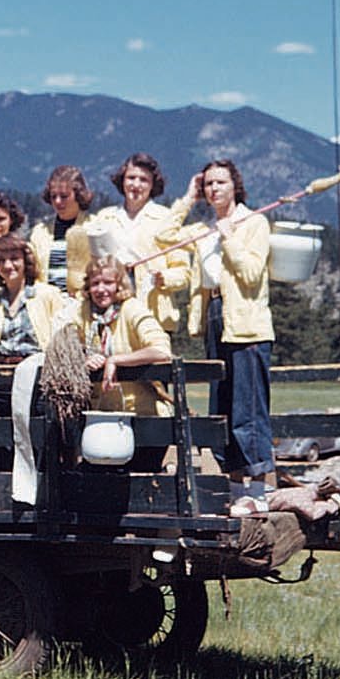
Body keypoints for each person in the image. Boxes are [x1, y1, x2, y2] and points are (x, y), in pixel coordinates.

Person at [172, 159, 276, 511]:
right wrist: (187, 198)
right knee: (223, 405)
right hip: (216, 317)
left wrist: (229, 237)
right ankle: (235, 490)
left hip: (246, 324)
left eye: (221, 182)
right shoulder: (203, 229)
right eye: (208, 184)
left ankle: (259, 491)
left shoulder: (254, 222)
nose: (214, 189)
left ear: (236, 186)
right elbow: (164, 236)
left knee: (249, 408)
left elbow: (250, 273)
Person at [87, 152, 192, 334]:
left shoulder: (167, 218)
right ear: (122, 181)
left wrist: (164, 277)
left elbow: (184, 272)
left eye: (143, 180)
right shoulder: (105, 218)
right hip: (112, 312)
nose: (136, 185)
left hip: (154, 313)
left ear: (153, 185)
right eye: (131, 178)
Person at [0, 235, 71, 415]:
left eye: (14, 259)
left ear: (26, 261)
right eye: (1, 260)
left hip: (37, 379)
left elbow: (63, 337)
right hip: (0, 382)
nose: (8, 265)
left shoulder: (47, 295)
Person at [76, 255, 173, 416]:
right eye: (95, 284)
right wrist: (83, 360)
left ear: (119, 285)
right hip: (98, 412)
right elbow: (64, 345)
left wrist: (115, 360)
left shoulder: (132, 309)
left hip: (141, 411)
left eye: (108, 283)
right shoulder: (82, 312)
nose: (101, 290)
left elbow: (161, 351)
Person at [28, 165, 94, 296]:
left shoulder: (93, 227)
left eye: (64, 196)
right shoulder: (40, 232)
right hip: (47, 302)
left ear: (78, 195)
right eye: (53, 196)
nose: (58, 202)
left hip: (82, 303)